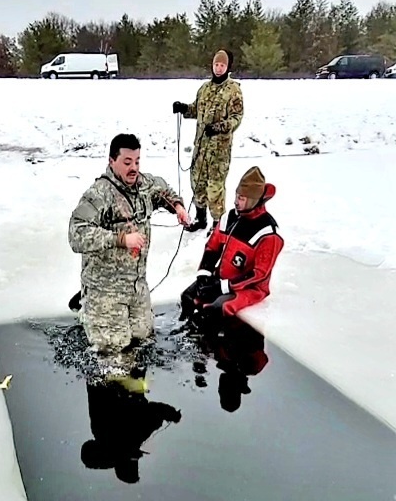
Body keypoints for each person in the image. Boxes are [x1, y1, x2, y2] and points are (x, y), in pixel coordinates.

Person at [68, 133, 190, 356]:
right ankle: (90, 305)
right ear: (112, 161)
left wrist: (178, 207)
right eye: (127, 162)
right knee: (112, 353)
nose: (133, 168)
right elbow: (76, 234)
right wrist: (120, 239)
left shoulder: (144, 184)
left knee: (143, 339)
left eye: (137, 161)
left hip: (136, 286)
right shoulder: (98, 194)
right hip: (107, 289)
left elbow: (163, 190)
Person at [180, 166, 283, 330]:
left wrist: (223, 287)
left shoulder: (268, 234)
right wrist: (204, 276)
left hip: (249, 287)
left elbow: (259, 274)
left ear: (253, 201)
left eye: (241, 198)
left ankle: (208, 349)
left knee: (215, 309)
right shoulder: (230, 217)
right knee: (188, 296)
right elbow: (212, 247)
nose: (235, 201)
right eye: (236, 196)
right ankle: (183, 331)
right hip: (220, 278)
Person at [172, 49, 244, 232]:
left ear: (228, 68)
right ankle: (201, 219)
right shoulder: (204, 88)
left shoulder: (233, 90)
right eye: (216, 65)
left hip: (219, 151)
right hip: (201, 148)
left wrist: (219, 128)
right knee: (197, 184)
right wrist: (183, 108)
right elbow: (196, 110)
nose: (218, 68)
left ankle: (218, 225)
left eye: (222, 65)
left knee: (215, 188)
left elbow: (236, 118)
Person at [81, 371, 181, 483]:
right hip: (102, 376)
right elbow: (86, 452)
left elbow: (156, 411)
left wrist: (172, 415)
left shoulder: (132, 437)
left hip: (115, 378)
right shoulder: (105, 440)